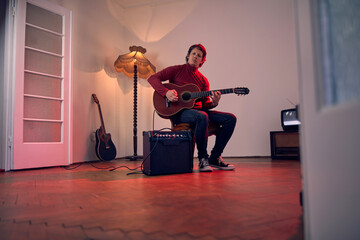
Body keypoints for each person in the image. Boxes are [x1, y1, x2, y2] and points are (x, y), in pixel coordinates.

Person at [147, 44, 236, 172]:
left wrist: (214, 103)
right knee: (202, 116)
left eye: (199, 56)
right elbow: (153, 78)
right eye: (193, 53)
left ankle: (215, 157)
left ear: (202, 61)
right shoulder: (176, 70)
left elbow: (205, 104)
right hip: (180, 112)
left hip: (200, 112)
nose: (195, 57)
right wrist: (166, 92)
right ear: (188, 55)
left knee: (230, 119)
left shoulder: (203, 80)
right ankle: (202, 159)